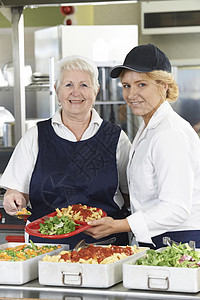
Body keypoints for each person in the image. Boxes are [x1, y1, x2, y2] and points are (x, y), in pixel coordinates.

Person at [0, 55, 131, 249]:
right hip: (47, 248)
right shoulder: (36, 136)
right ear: (57, 90)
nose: (76, 92)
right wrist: (13, 198)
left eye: (84, 85)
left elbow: (130, 194)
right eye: (68, 85)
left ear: (96, 90)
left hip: (107, 248)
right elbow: (17, 191)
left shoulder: (116, 138)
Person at [84, 44, 200, 249]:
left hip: (179, 242)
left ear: (163, 85)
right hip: (158, 239)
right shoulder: (149, 127)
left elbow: (176, 208)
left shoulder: (170, 133)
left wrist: (119, 225)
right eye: (127, 86)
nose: (131, 94)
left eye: (141, 84)